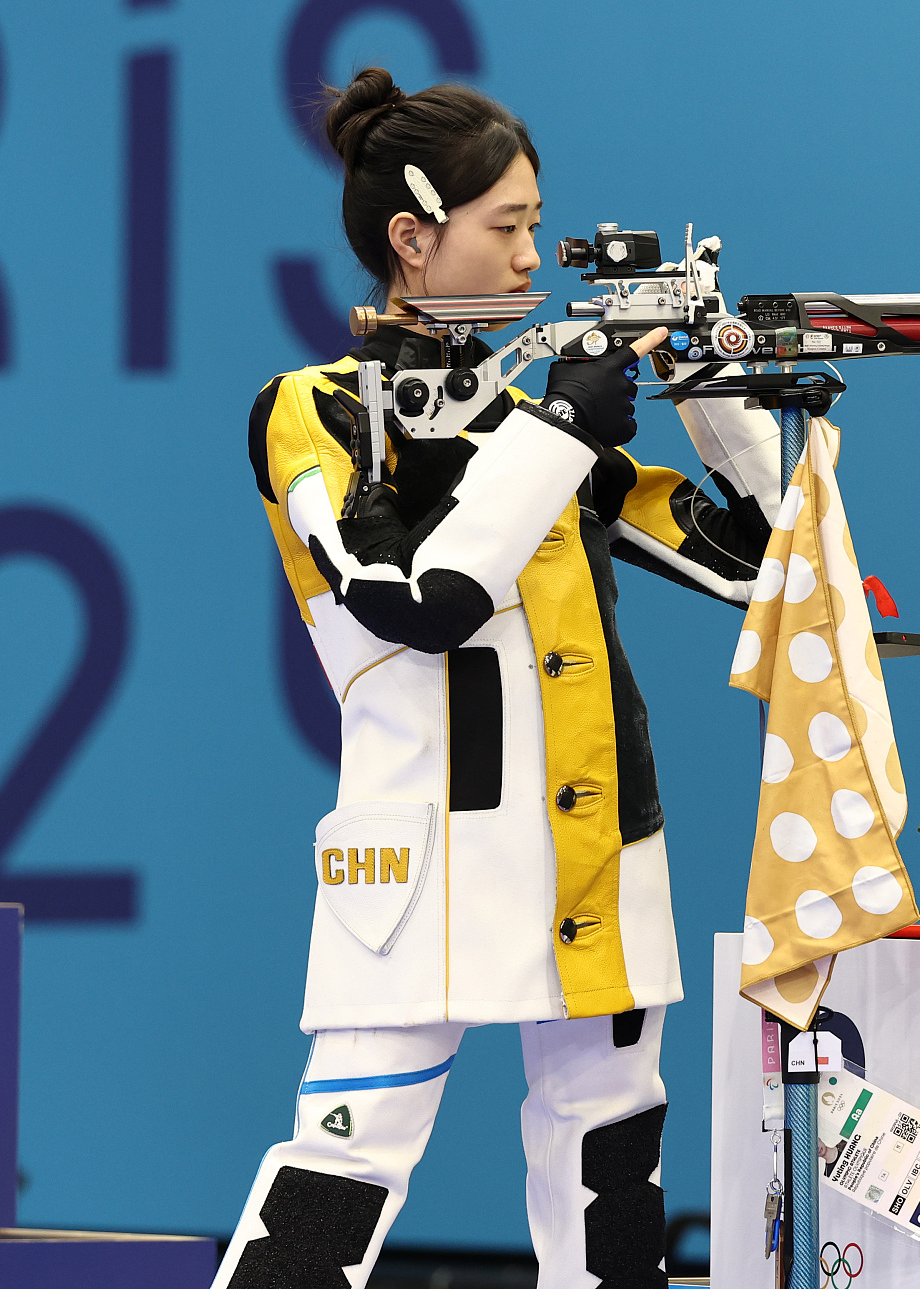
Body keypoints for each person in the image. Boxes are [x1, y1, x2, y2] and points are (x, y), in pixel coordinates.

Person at [222, 68, 781, 1289]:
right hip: (420, 857)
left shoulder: (537, 421)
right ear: (410, 239)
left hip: (596, 850)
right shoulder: (309, 411)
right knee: (342, 1166)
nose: (535, 250)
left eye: (537, 220)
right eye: (507, 226)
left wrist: (716, 387)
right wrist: (560, 429)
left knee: (612, 1174)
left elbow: (757, 554)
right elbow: (414, 600)